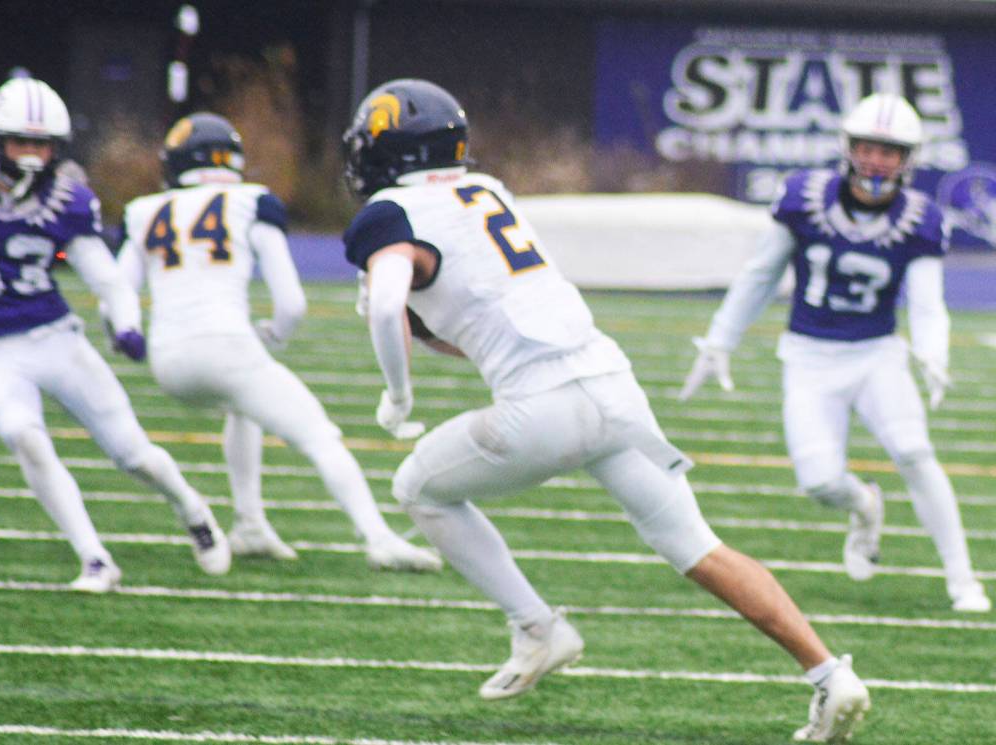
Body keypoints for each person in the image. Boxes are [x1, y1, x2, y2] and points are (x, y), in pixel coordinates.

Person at [341, 77, 871, 742]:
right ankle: (829, 674)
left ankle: (537, 627)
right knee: (699, 547)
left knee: (417, 486)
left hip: (541, 405)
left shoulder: (388, 213)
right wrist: (418, 330)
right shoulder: (488, 192)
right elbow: (472, 313)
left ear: (384, 150)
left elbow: (390, 301)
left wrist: (399, 392)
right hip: (612, 386)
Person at [680, 92, 990, 614]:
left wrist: (933, 353)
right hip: (808, 357)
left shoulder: (921, 218)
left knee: (914, 451)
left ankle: (963, 581)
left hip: (876, 354)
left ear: (908, 159)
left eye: (889, 151)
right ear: (849, 147)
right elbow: (762, 273)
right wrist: (720, 338)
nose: (876, 160)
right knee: (820, 481)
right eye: (868, 148)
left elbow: (928, 302)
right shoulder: (803, 196)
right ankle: (865, 505)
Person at [115, 112, 441, 572]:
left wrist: (127, 332)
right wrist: (276, 335)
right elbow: (291, 302)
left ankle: (249, 524)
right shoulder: (251, 201)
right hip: (226, 347)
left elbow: (116, 291)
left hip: (168, 360)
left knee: (243, 409)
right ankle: (378, 537)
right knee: (320, 437)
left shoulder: (144, 210)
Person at [0, 77, 230, 592]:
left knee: (131, 453)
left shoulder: (67, 200)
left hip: (54, 338)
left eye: (42, 145)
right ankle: (94, 559)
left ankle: (193, 508)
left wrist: (127, 323)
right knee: (26, 437)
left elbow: (105, 277)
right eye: (21, 142)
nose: (31, 156)